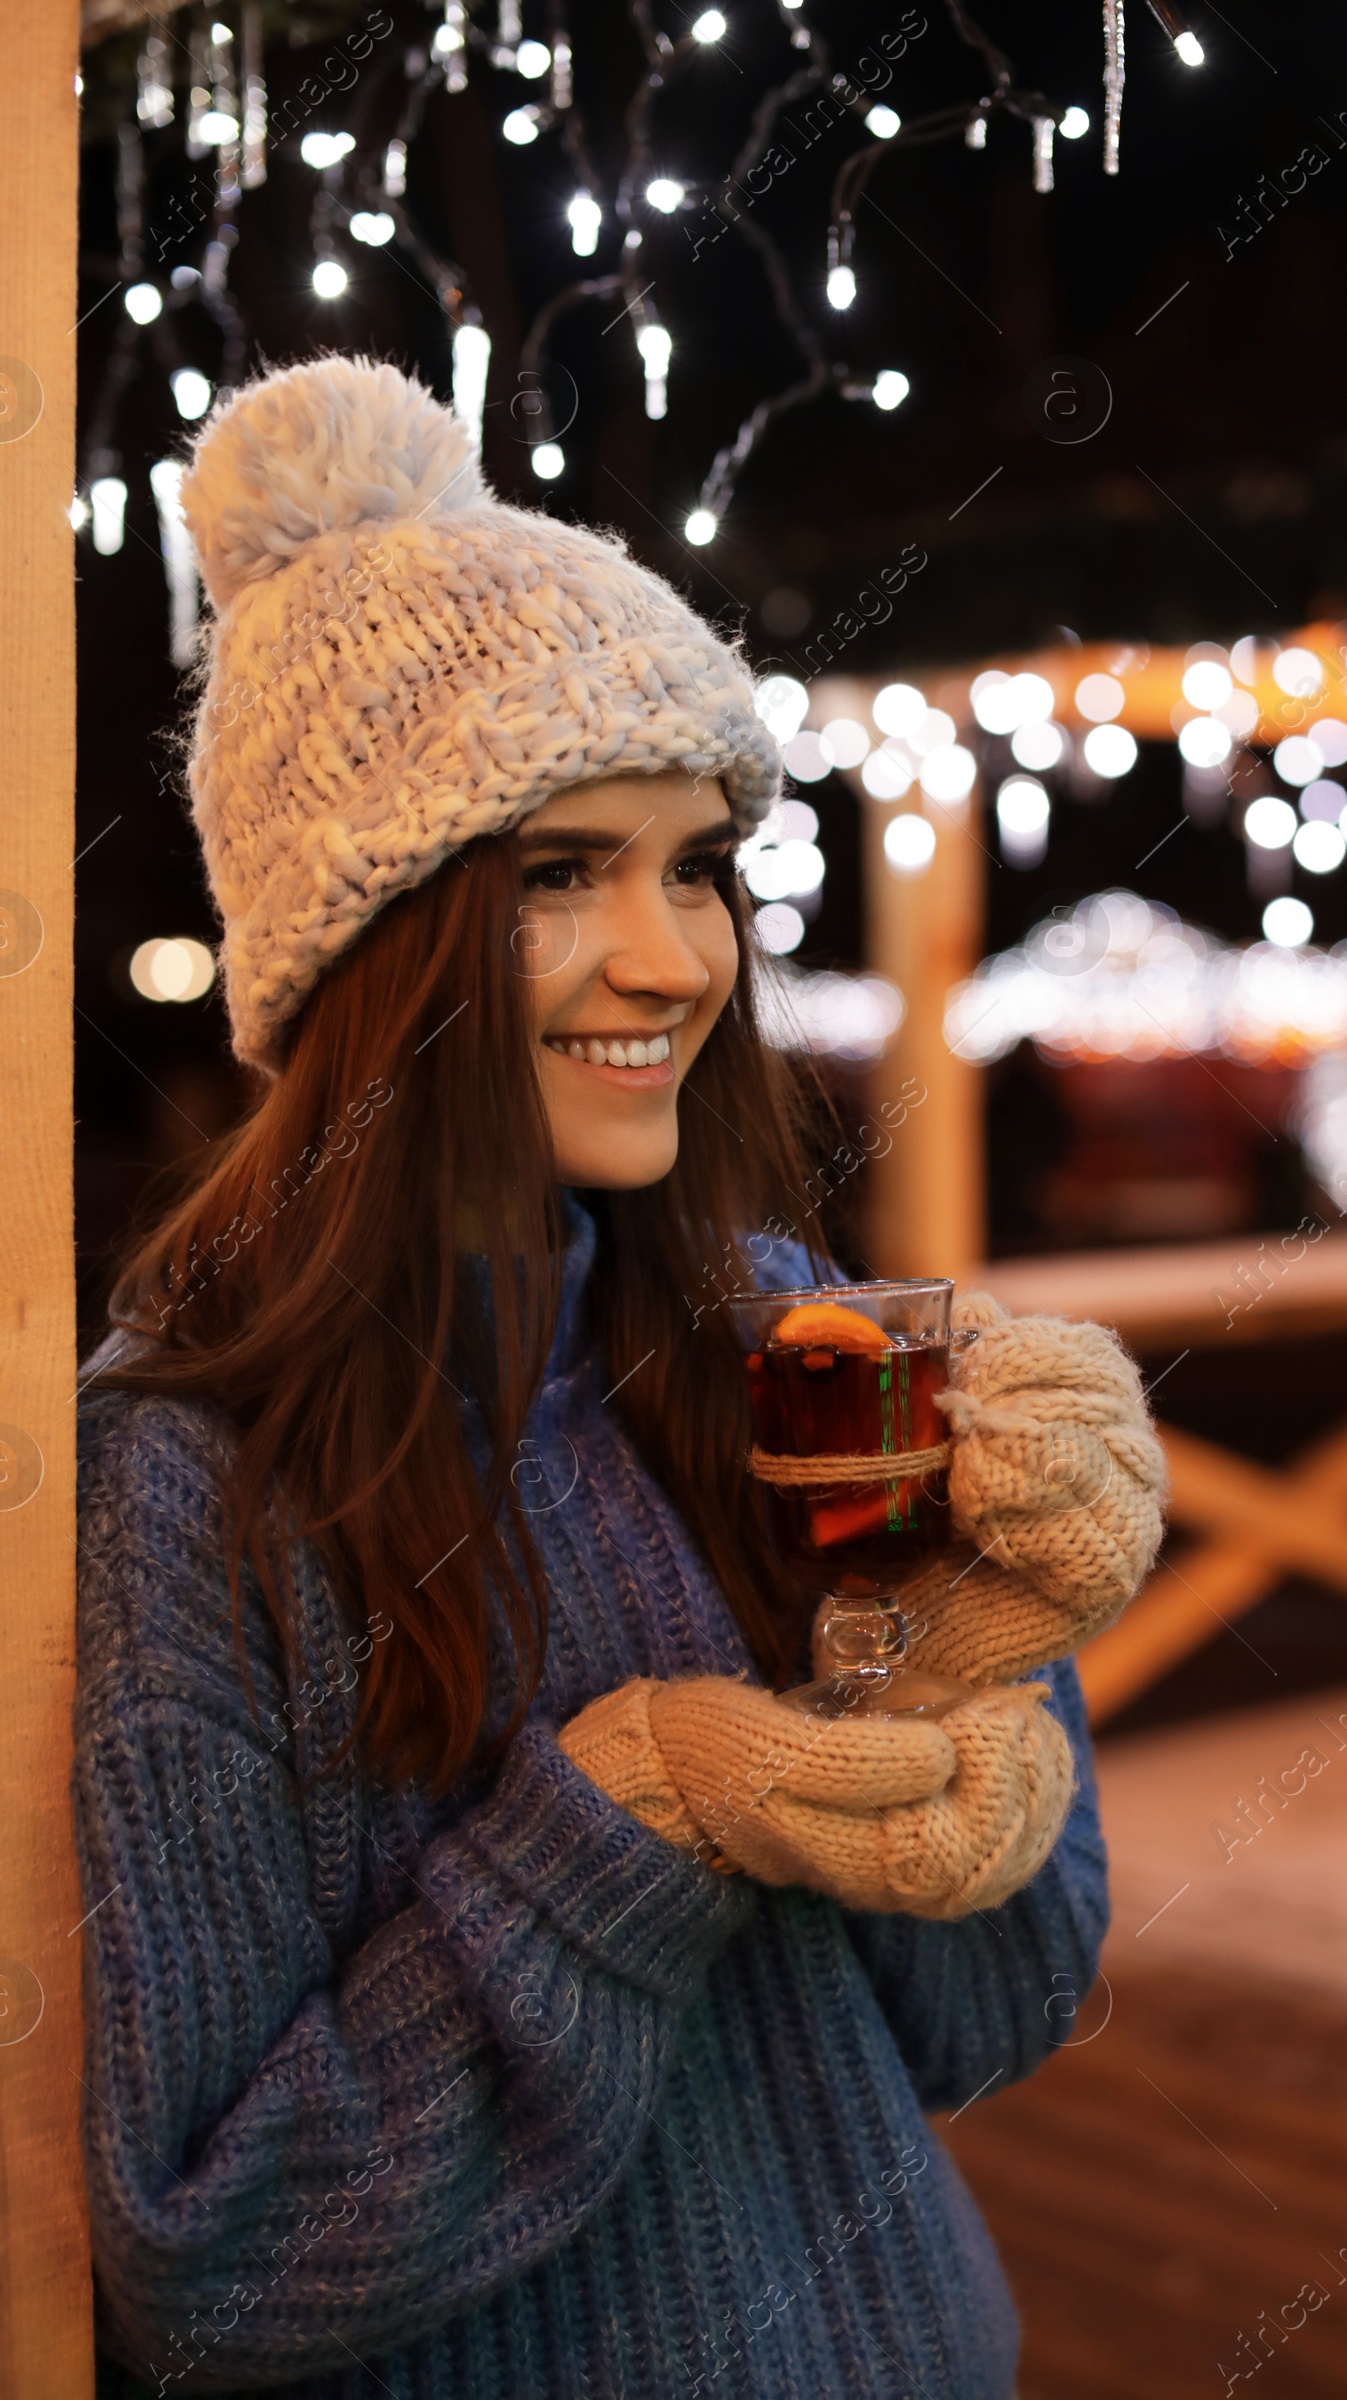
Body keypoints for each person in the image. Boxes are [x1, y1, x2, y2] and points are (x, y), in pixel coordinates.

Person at [74, 357, 1166, 2399]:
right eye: (560, 874)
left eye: (693, 867)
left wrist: (986, 1641)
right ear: (356, 950)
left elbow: (994, 2017)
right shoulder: (192, 1473)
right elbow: (218, 2271)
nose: (672, 959)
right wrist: (631, 1807)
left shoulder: (782, 1337)